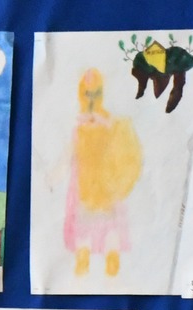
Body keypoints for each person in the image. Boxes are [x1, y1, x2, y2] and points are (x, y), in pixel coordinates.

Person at [64, 68, 142, 278]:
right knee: (89, 230)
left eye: (95, 93)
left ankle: (108, 264)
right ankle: (86, 264)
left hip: (104, 188)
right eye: (87, 93)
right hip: (89, 189)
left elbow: (121, 152)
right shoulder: (81, 127)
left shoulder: (111, 125)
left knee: (107, 229)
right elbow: (70, 155)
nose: (91, 99)